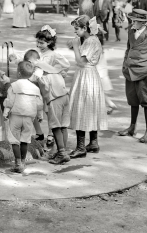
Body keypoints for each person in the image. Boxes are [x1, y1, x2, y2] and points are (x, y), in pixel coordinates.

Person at [118, 9, 147, 144]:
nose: (132, 23)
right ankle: (132, 127)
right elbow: (128, 49)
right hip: (130, 71)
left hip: (143, 72)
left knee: (146, 101)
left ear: (142, 22)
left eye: (134, 21)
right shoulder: (131, 32)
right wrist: (125, 64)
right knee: (133, 100)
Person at [68, 16, 108, 158]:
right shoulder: (88, 39)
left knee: (82, 108)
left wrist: (74, 47)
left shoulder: (91, 41)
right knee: (90, 109)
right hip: (88, 75)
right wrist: (76, 43)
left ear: (85, 28)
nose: (75, 31)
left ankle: (80, 147)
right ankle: (93, 142)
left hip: (86, 75)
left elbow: (81, 61)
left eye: (77, 29)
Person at [24, 50, 71, 165]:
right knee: (63, 126)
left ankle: (61, 153)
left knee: (55, 127)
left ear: (31, 62)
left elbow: (30, 81)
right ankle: (62, 151)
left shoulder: (38, 70)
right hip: (65, 97)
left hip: (55, 100)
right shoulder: (51, 67)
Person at [3, 61, 44, 173]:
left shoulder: (14, 86)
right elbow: (39, 104)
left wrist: (5, 112)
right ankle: (23, 161)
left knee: (14, 140)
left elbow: (9, 101)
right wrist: (40, 115)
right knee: (25, 139)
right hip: (29, 118)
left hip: (15, 116)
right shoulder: (35, 89)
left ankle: (17, 163)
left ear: (19, 73)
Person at [33, 25, 70, 146]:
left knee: (51, 113)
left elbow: (66, 64)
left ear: (49, 42)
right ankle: (45, 134)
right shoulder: (39, 54)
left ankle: (51, 135)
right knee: (43, 110)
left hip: (52, 89)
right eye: (37, 42)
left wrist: (55, 70)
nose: (39, 45)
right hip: (42, 87)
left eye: (42, 43)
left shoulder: (54, 54)